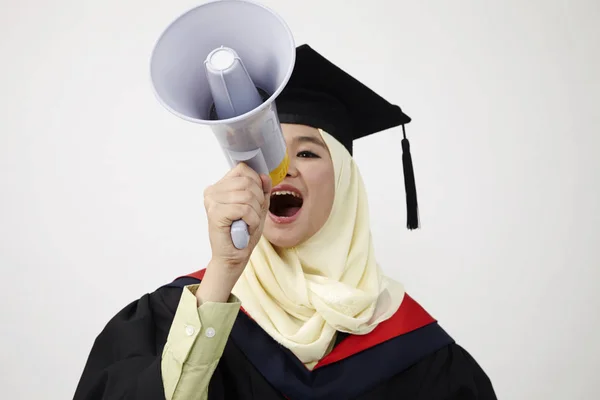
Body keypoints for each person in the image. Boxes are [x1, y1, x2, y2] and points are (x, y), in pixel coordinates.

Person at [73, 44, 497, 400]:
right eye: (264, 153)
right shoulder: (170, 316)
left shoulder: (416, 347)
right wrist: (223, 273)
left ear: (346, 184)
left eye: (308, 153)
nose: (282, 170)